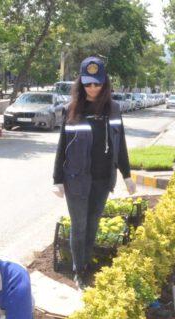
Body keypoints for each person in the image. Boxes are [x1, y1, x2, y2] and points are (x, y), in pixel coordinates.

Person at [52, 56, 135, 288]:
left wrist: (126, 175)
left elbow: (121, 146)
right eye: (88, 84)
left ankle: (86, 263)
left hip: (101, 180)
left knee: (93, 224)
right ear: (81, 83)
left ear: (104, 83)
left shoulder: (114, 109)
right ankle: (79, 271)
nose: (92, 88)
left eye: (97, 83)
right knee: (79, 226)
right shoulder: (72, 110)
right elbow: (62, 147)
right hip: (76, 180)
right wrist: (57, 179)